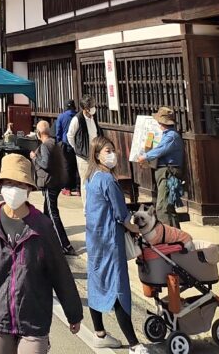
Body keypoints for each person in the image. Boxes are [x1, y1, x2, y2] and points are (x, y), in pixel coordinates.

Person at [0, 153, 83, 354]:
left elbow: (59, 271)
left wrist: (74, 313)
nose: (13, 189)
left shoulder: (42, 225)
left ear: (29, 188)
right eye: (8, 183)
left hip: (34, 319)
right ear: (0, 185)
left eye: (19, 183)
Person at [85, 136, 148, 354]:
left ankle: (100, 332)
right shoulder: (108, 180)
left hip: (94, 238)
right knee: (118, 288)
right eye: (107, 151)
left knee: (97, 283)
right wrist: (141, 229)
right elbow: (122, 216)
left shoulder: (91, 177)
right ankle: (134, 343)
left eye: (113, 150)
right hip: (111, 240)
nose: (113, 154)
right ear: (97, 154)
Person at [137, 105, 185, 230]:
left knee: (163, 207)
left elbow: (160, 150)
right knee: (167, 207)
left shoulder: (171, 136)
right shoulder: (167, 135)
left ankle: (170, 236)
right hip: (164, 171)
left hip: (168, 172)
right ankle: (176, 236)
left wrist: (145, 156)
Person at [31, 119, 74, 255]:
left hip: (50, 183)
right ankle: (46, 240)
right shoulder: (54, 143)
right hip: (56, 180)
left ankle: (65, 244)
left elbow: (45, 164)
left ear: (39, 133)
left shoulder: (45, 146)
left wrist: (34, 157)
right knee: (47, 213)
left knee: (52, 213)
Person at [67, 94, 102, 210]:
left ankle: (95, 204)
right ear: (84, 108)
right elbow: (70, 135)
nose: (93, 108)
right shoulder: (77, 119)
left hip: (95, 153)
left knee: (95, 178)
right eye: (90, 106)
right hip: (83, 155)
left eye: (93, 105)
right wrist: (77, 148)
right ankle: (87, 207)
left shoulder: (93, 117)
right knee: (85, 181)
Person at [55, 99, 80, 196]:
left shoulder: (61, 117)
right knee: (78, 166)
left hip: (66, 145)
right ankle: (78, 189)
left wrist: (59, 142)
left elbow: (58, 132)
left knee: (67, 167)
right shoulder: (78, 116)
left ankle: (67, 188)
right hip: (78, 145)